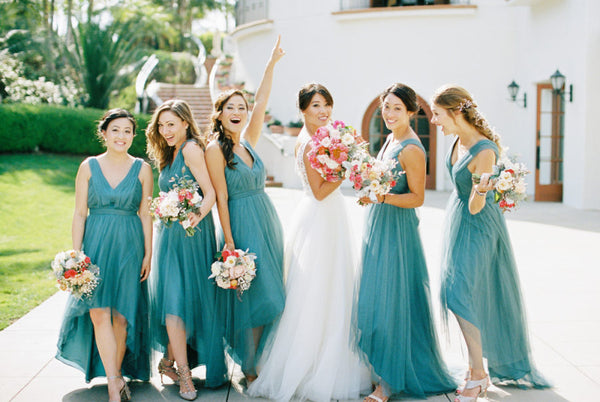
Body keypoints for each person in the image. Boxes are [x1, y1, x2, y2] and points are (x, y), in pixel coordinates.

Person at [247, 83, 371, 401]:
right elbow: (318, 191)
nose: (323, 110)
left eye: (327, 104)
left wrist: (347, 158)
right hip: (319, 218)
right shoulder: (310, 143)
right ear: (302, 110)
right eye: (316, 105)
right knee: (316, 290)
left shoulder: (323, 137)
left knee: (333, 288)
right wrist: (347, 168)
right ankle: (310, 365)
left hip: (328, 217)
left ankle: (330, 355)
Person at [431, 85, 549, 401]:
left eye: (438, 114)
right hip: (458, 220)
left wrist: (483, 188)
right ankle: (473, 368)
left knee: (458, 293)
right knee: (453, 290)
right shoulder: (456, 140)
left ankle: (479, 374)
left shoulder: (484, 151)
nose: (433, 120)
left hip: (479, 224)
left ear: (455, 112)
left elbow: (475, 205)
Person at [355, 84, 457, 402]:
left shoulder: (411, 148)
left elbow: (417, 198)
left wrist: (381, 196)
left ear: (411, 112)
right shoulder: (389, 139)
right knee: (377, 298)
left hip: (397, 233)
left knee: (391, 302)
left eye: (397, 108)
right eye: (385, 106)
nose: (388, 113)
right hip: (379, 224)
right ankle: (384, 369)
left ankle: (387, 382)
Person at [56, 108, 153, 402]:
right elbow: (79, 213)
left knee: (121, 316)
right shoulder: (88, 166)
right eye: (115, 130)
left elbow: (146, 214)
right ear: (104, 133)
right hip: (95, 245)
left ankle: (117, 375)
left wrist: (148, 254)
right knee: (99, 313)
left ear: (133, 137)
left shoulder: (143, 169)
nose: (121, 136)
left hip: (129, 245)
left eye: (127, 131)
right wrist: (77, 256)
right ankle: (114, 383)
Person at [205, 36, 285, 384]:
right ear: (220, 114)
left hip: (266, 220)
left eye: (241, 107)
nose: (238, 113)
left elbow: (263, 99)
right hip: (240, 224)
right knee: (253, 297)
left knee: (271, 292)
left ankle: (262, 359)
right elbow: (221, 198)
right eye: (230, 108)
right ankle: (250, 366)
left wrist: (270, 65)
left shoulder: (250, 140)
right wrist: (231, 242)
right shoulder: (215, 149)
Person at [146, 99, 226, 400]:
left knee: (184, 302)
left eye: (171, 124)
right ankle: (182, 373)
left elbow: (210, 193)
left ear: (185, 123)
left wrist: (194, 215)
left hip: (192, 236)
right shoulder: (169, 153)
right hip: (170, 238)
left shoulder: (191, 149)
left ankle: (173, 364)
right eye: (161, 125)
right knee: (174, 303)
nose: (166, 130)